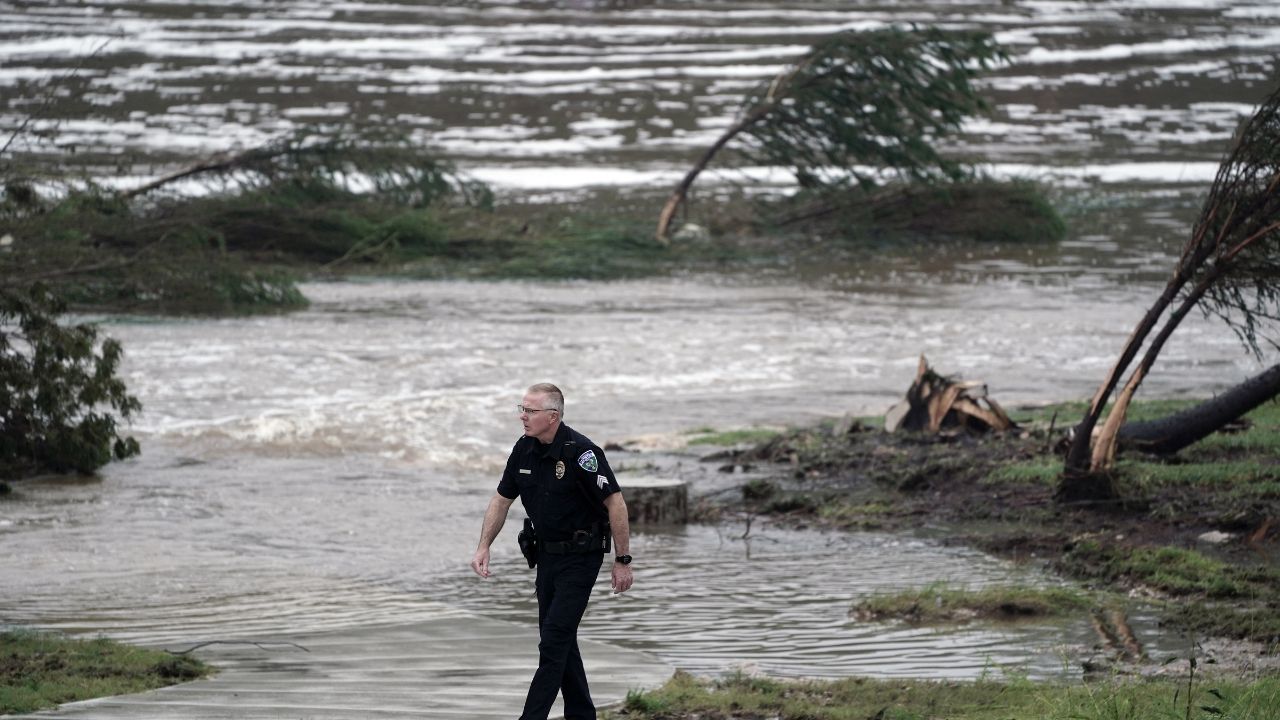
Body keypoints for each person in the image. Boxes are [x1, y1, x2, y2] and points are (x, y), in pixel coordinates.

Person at [471, 383, 633, 720]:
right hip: (546, 558)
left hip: (581, 558)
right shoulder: (524, 449)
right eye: (522, 408)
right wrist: (484, 545)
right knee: (560, 639)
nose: (522, 416)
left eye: (530, 411)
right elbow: (502, 499)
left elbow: (615, 502)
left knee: (553, 641)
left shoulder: (583, 453)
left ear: (553, 416)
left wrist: (622, 560)